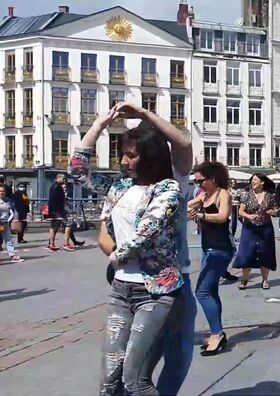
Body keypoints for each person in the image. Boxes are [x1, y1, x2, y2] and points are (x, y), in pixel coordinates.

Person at [69, 103, 190, 395]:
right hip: (121, 289)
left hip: (156, 292)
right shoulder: (119, 187)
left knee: (136, 379)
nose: (124, 160)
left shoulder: (169, 188)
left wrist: (116, 255)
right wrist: (99, 125)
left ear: (149, 157)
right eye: (122, 153)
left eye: (131, 155)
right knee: (109, 378)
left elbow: (147, 230)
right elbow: (77, 170)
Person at [187, 162, 235, 356]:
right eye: (195, 181)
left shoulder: (224, 194)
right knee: (211, 291)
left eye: (200, 180)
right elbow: (187, 206)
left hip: (221, 249)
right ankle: (217, 332)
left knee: (202, 292)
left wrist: (201, 215)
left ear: (212, 179)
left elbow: (223, 216)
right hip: (209, 248)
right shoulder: (204, 195)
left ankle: (217, 334)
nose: (198, 184)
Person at [234, 174, 279, 290]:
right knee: (247, 253)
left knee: (265, 253)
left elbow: (276, 209)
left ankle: (265, 280)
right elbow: (241, 212)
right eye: (252, 180)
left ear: (262, 182)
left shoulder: (270, 196)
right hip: (249, 228)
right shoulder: (247, 195)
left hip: (265, 228)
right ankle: (244, 280)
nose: (253, 182)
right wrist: (249, 216)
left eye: (255, 180)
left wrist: (273, 212)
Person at [47, 174, 73, 252]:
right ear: (59, 178)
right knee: (68, 224)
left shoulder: (52, 186)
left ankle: (51, 244)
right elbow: (59, 199)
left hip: (53, 209)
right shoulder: (58, 187)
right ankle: (66, 243)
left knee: (54, 226)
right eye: (63, 178)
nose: (64, 180)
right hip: (58, 209)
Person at [0, 185, 24, 263]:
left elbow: (11, 212)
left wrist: (9, 220)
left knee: (9, 240)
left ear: (5, 192)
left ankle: (13, 256)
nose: (1, 193)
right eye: (0, 191)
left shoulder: (8, 200)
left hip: (5, 223)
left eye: (3, 191)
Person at [61, 182, 85, 247]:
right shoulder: (60, 194)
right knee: (67, 226)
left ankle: (74, 242)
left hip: (64, 212)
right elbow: (62, 205)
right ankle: (66, 244)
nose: (65, 189)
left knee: (69, 227)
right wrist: (70, 211)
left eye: (66, 187)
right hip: (62, 212)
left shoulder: (64, 194)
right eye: (64, 187)